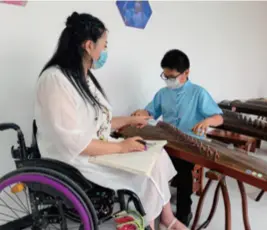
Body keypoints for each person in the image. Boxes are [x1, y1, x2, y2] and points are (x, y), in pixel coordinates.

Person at [34, 12, 188, 230]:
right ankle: (151, 223)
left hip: (93, 146)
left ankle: (166, 218)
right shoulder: (55, 80)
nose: (105, 51)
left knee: (157, 155)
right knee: (146, 169)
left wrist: (130, 120)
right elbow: (74, 141)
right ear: (89, 46)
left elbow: (98, 122)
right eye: (104, 45)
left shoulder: (82, 77)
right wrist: (123, 147)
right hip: (74, 159)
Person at [132, 49, 223, 226]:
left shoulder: (198, 93)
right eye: (165, 76)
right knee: (147, 161)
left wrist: (207, 121)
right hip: (167, 141)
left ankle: (183, 213)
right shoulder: (163, 93)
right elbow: (151, 112)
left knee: (182, 171)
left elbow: (219, 117)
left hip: (190, 143)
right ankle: (153, 207)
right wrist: (141, 113)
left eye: (172, 77)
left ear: (186, 73)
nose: (168, 81)